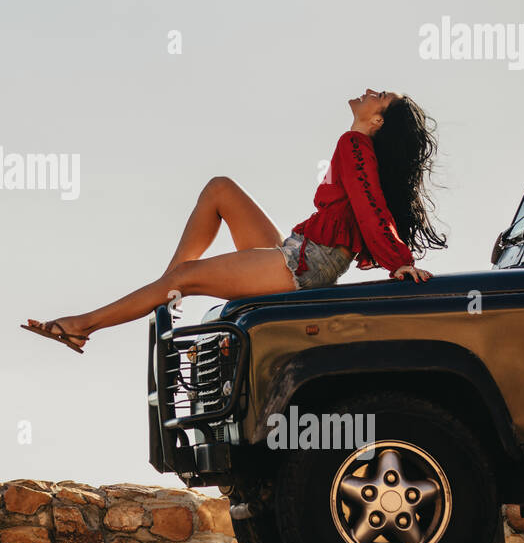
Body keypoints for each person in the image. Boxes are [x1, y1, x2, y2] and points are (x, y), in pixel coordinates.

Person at [22, 88, 447, 353]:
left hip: (304, 265)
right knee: (219, 189)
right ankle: (167, 288)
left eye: (381, 98)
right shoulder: (355, 146)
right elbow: (369, 207)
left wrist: (399, 260)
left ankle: (84, 326)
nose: (371, 91)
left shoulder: (355, 143)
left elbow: (373, 207)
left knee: (186, 276)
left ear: (376, 121)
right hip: (297, 253)